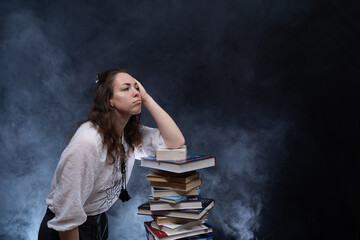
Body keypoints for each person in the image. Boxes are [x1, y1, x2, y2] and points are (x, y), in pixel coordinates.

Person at [38, 69, 185, 240]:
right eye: (126, 89)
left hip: (98, 222)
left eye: (137, 88)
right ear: (109, 101)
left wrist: (147, 99)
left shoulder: (128, 133)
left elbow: (175, 142)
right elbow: (66, 213)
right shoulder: (88, 142)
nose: (136, 92)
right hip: (68, 229)